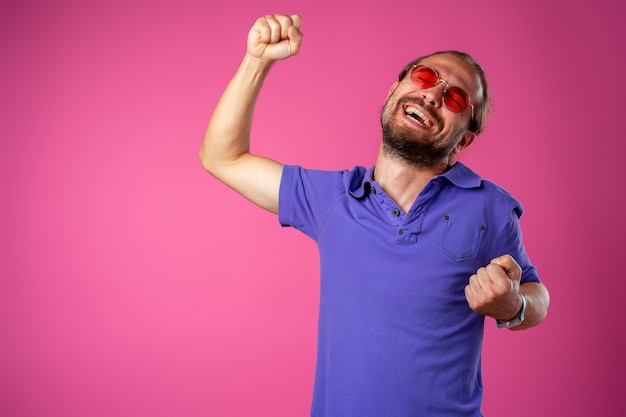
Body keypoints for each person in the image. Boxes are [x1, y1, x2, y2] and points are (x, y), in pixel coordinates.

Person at [199, 13, 550, 417]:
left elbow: (536, 295)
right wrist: (256, 61)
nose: (433, 95)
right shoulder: (331, 198)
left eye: (455, 98)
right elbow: (222, 157)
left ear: (464, 139)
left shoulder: (490, 206)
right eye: (424, 77)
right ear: (393, 92)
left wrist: (513, 307)